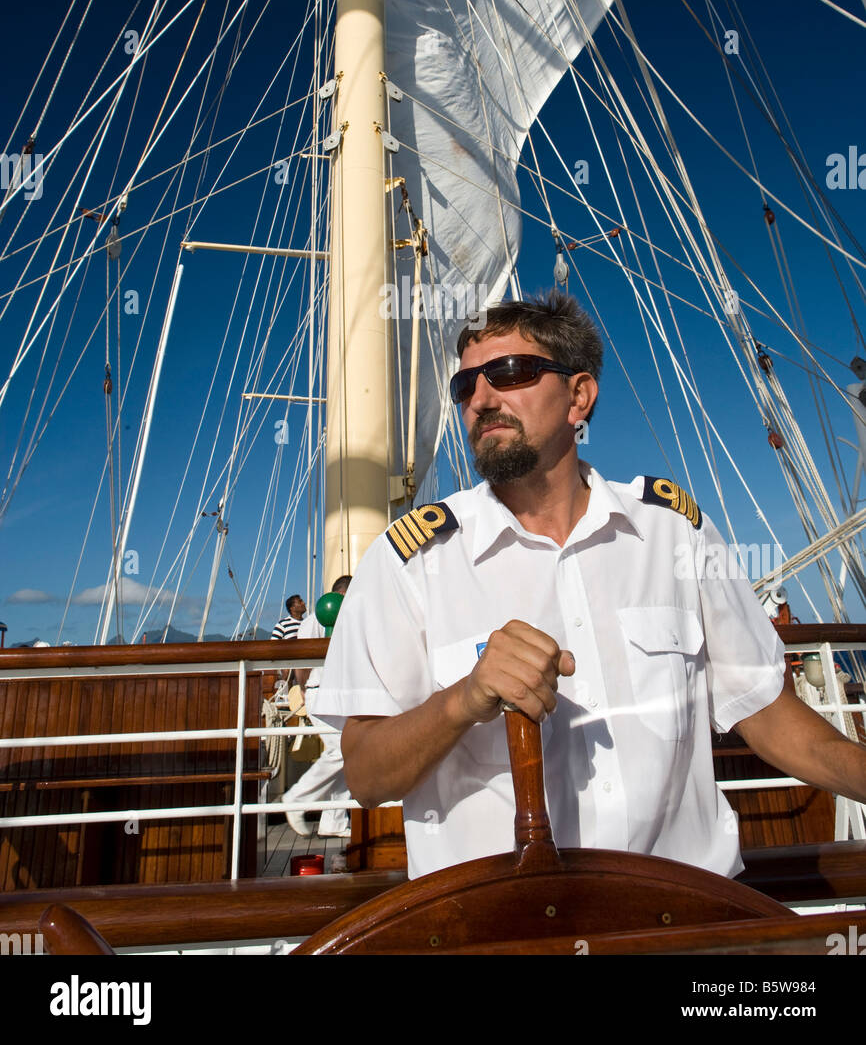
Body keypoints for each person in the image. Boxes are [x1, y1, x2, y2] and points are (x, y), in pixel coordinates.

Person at [315, 290, 866, 881]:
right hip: (505, 931)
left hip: (688, 920)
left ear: (579, 396)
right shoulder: (410, 561)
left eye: (509, 372)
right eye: (465, 385)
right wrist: (463, 700)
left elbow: (765, 711)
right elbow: (368, 775)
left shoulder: (674, 533)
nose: (480, 399)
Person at [282, 577, 352, 839]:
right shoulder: (316, 620)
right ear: (341, 593)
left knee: (348, 753)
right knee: (340, 751)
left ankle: (333, 820)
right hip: (320, 692)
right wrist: (303, 689)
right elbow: (302, 660)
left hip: (337, 693)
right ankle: (297, 798)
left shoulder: (330, 617)